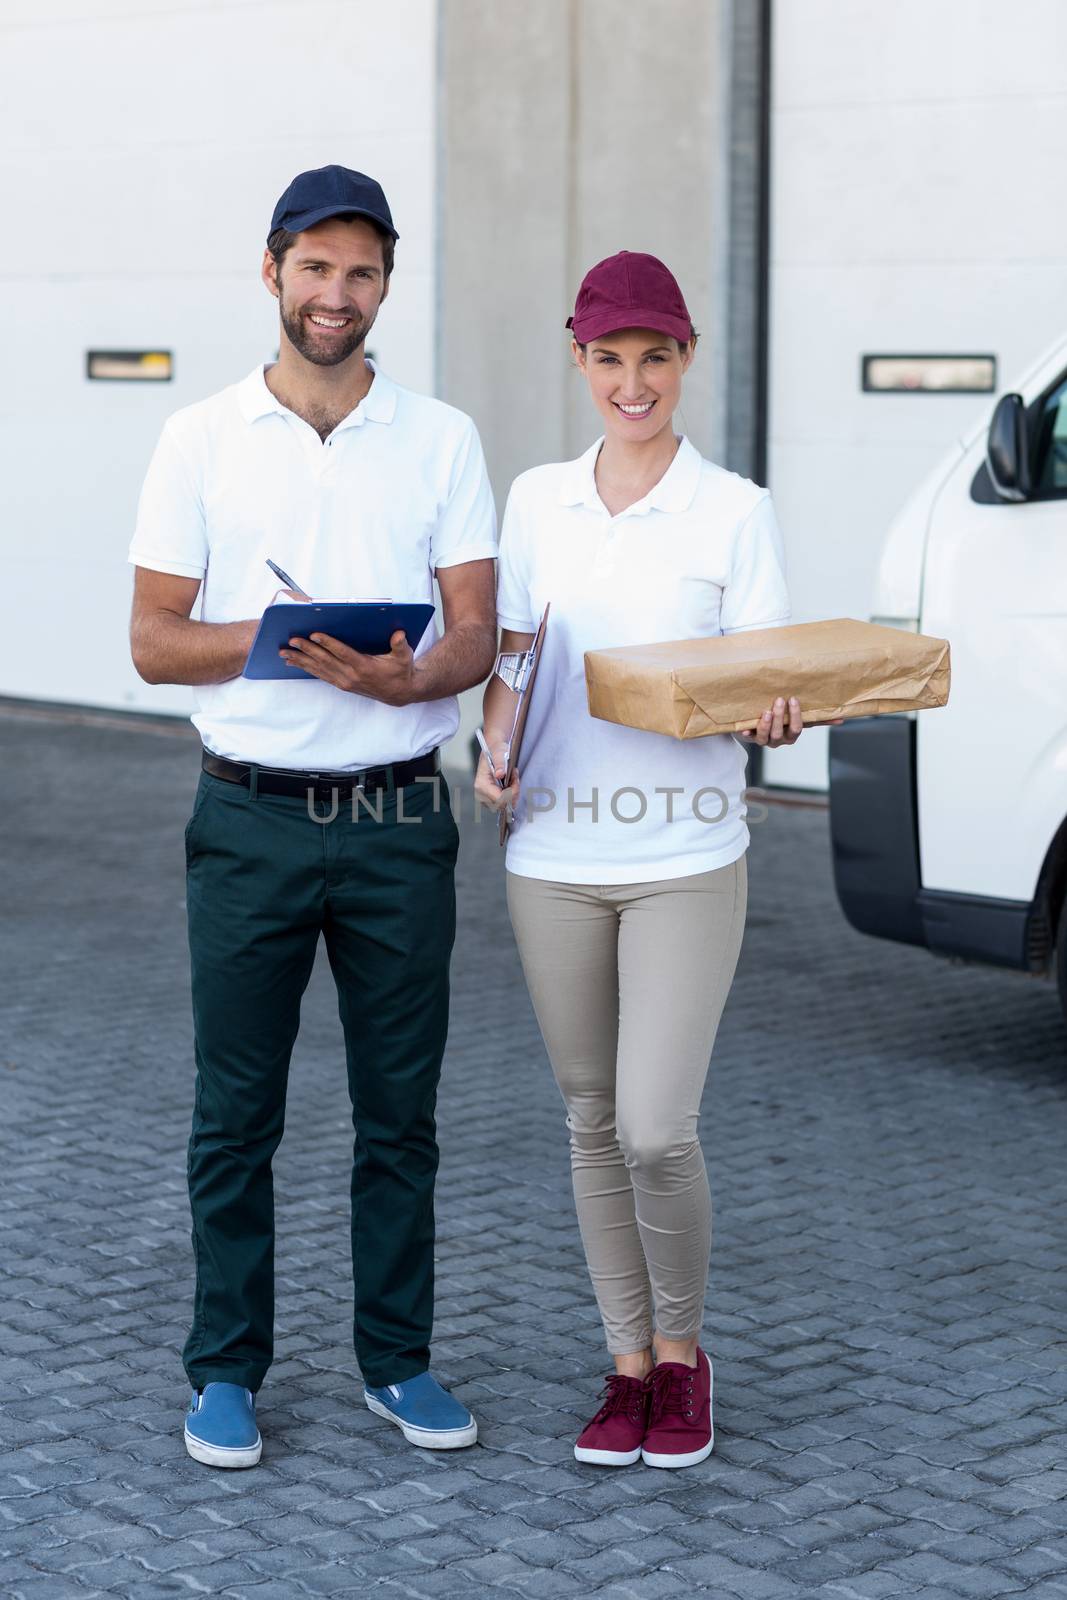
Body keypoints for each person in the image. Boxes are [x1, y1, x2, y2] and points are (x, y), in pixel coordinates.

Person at [129, 165, 498, 1467]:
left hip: (399, 821)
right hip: (250, 824)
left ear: (383, 285)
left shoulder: (439, 437)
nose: (334, 295)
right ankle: (224, 1368)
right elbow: (153, 645)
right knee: (237, 1115)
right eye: (314, 268)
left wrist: (410, 674)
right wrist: (285, 643)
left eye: (360, 273)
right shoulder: (201, 438)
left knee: (399, 1118)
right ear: (272, 271)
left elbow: (472, 634)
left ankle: (396, 1362)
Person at [475, 251, 812, 1470]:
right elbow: (519, 653)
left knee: (658, 1127)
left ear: (684, 361)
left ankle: (684, 1353)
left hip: (683, 857)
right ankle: (624, 1366)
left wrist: (771, 714)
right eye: (609, 358)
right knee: (589, 1116)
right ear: (579, 362)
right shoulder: (534, 501)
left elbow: (766, 679)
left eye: (653, 357)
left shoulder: (733, 510)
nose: (632, 381)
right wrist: (493, 745)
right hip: (552, 854)